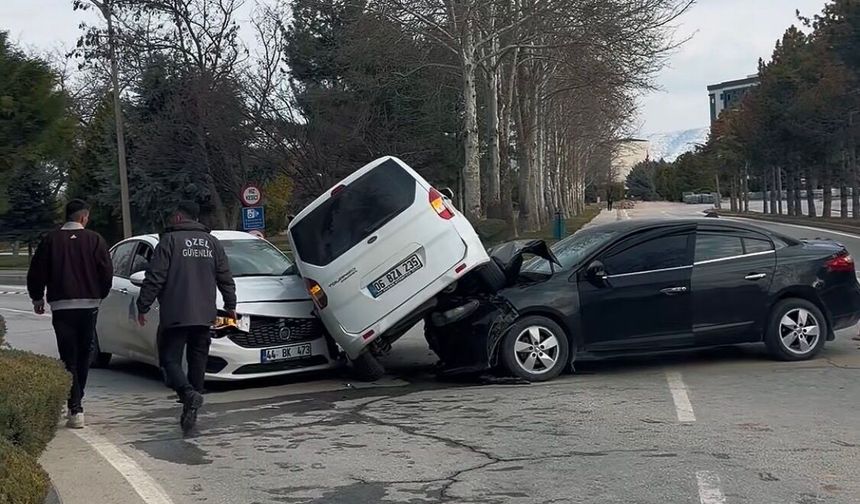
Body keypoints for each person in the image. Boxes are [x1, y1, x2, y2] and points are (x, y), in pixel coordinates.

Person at [136, 201, 236, 432]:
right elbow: (224, 276)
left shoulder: (169, 241)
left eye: (173, 217)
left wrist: (143, 305)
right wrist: (231, 304)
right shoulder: (212, 243)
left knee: (169, 359)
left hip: (176, 313)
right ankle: (192, 406)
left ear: (179, 218)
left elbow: (155, 277)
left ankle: (188, 393)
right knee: (197, 360)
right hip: (204, 314)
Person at [27, 199, 113, 429]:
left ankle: (75, 405)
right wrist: (100, 294)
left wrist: (37, 297)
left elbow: (36, 271)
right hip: (89, 305)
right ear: (84, 217)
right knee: (85, 354)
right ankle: (77, 403)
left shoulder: (50, 240)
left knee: (68, 355)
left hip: (61, 305)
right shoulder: (95, 240)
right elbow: (106, 271)